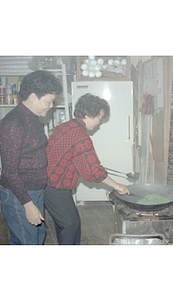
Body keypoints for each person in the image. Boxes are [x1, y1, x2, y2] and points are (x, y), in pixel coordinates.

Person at [44, 93, 130, 245]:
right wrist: (118, 186)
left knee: (65, 224)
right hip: (54, 187)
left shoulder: (66, 126)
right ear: (88, 114)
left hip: (47, 184)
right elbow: (93, 171)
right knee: (71, 224)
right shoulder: (80, 136)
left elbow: (81, 164)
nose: (99, 123)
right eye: (99, 118)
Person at [0, 70, 63, 245]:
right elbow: (10, 171)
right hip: (19, 194)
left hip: (34, 191)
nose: (51, 105)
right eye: (48, 101)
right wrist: (28, 204)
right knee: (26, 242)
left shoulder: (32, 117)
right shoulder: (13, 123)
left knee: (37, 237)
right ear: (33, 97)